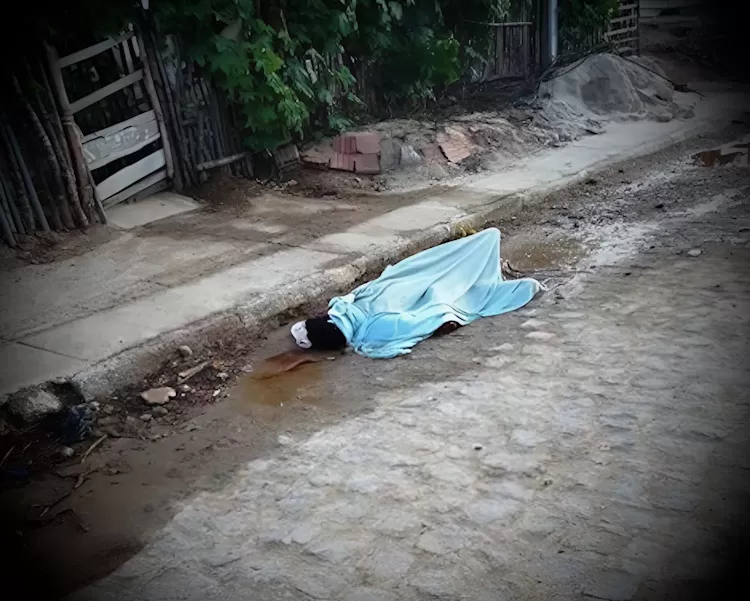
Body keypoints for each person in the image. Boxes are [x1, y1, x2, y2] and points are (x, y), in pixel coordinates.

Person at [290, 228, 543, 359]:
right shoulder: (357, 316)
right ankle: (478, 271)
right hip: (427, 289)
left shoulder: (350, 311)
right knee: (481, 247)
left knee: (482, 246)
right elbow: (420, 320)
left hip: (415, 282)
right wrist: (445, 317)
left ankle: (478, 271)